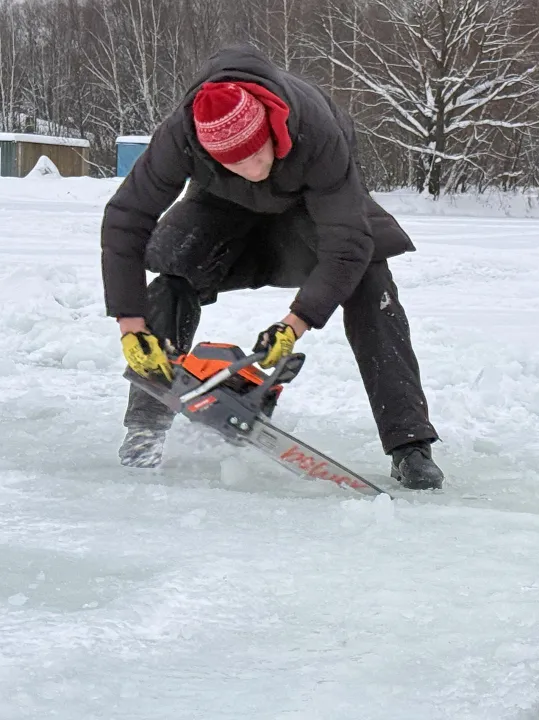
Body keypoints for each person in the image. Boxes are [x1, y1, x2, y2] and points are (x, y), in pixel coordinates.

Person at [100, 43, 445, 490]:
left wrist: (296, 322)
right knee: (173, 276)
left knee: (370, 278)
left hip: (308, 212)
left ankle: (410, 445)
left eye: (253, 156)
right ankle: (145, 428)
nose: (246, 169)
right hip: (219, 209)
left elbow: (347, 242)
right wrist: (131, 325)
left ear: (272, 129)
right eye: (232, 162)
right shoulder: (181, 135)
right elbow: (126, 218)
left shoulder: (317, 132)